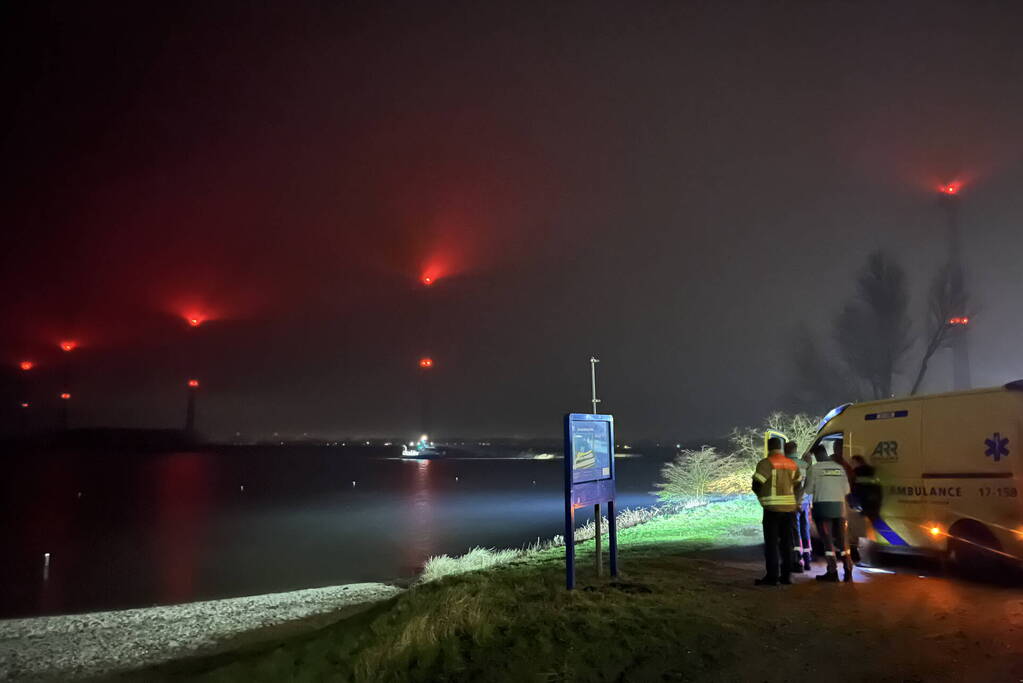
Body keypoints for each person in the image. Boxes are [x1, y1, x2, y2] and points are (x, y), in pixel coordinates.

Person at [751, 437, 801, 586]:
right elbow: (798, 485)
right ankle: (787, 576)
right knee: (787, 544)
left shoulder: (766, 463)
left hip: (772, 510)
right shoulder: (792, 464)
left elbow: (756, 484)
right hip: (790, 510)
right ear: (781, 448)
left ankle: (772, 577)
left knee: (771, 544)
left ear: (768, 448)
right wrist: (795, 501)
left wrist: (762, 498)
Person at [805, 442, 853, 582]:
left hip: (822, 509)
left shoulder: (814, 469)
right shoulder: (839, 468)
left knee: (827, 541)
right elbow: (847, 490)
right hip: (840, 508)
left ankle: (832, 572)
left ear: (816, 455)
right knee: (843, 540)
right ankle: (848, 570)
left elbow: (808, 490)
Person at [783, 441, 811, 572]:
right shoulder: (805, 465)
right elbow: (809, 484)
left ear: (785, 451)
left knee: (794, 531)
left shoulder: (785, 465)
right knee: (805, 529)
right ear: (796, 450)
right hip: (805, 501)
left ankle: (797, 560)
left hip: (792, 502)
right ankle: (807, 559)